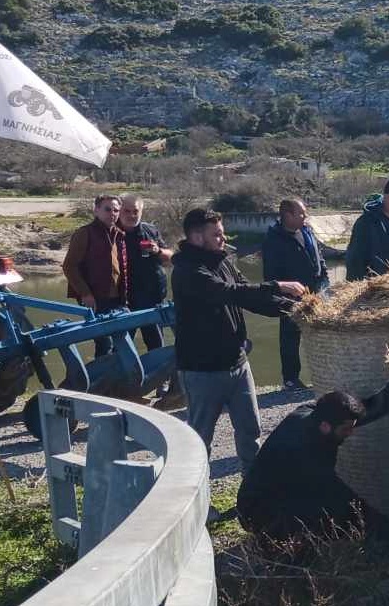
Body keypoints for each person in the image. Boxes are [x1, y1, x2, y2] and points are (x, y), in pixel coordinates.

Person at [171, 208, 305, 477]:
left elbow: (248, 296)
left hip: (237, 363)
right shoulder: (188, 270)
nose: (223, 239)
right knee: (200, 440)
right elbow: (227, 292)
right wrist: (277, 285)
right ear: (197, 237)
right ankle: (199, 502)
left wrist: (296, 310)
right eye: (217, 235)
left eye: (222, 233)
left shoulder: (222, 261)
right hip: (202, 369)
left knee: (250, 431)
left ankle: (253, 491)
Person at [237, 382, 389, 555]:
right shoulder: (307, 454)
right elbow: (347, 501)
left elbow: (357, 412)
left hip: (282, 491)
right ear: (325, 427)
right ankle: (281, 551)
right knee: (333, 517)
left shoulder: (313, 412)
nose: (351, 433)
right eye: (346, 430)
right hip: (258, 511)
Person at [262, 198, 330, 390]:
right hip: (292, 297)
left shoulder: (306, 231)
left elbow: (319, 256)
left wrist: (324, 277)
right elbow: (271, 275)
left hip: (317, 291)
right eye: (301, 213)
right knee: (290, 337)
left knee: (321, 333)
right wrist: (284, 296)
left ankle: (324, 374)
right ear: (288, 215)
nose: (305, 216)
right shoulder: (274, 240)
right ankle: (291, 379)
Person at [63, 195, 129, 357]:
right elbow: (69, 266)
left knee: (121, 343)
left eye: (116, 210)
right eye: (107, 209)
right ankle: (99, 380)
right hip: (95, 298)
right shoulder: (85, 233)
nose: (112, 213)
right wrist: (85, 294)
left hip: (117, 298)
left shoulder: (119, 235)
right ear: (96, 210)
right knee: (103, 344)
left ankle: (117, 380)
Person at [115, 195, 171, 353]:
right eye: (127, 211)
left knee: (156, 346)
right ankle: (119, 376)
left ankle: (158, 377)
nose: (131, 215)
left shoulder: (150, 230)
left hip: (152, 298)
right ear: (119, 211)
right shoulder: (111, 233)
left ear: (141, 212)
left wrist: (157, 250)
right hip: (123, 300)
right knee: (121, 348)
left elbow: (170, 258)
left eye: (135, 211)